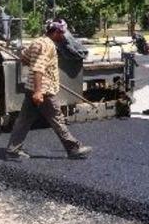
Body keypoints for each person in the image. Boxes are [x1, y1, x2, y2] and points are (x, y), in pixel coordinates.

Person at [6, 19, 92, 161]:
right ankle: (73, 148)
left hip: (31, 88)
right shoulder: (48, 45)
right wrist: (38, 91)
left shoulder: (37, 41)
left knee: (24, 120)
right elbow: (38, 68)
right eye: (62, 33)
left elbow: (24, 58)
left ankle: (12, 151)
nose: (63, 36)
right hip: (43, 90)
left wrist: (35, 86)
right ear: (56, 32)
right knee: (57, 119)